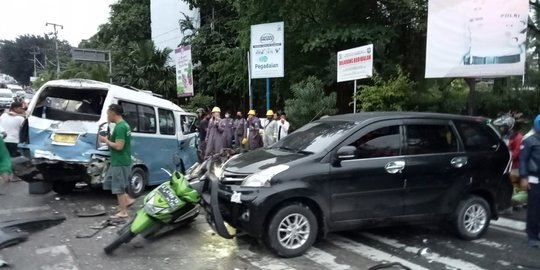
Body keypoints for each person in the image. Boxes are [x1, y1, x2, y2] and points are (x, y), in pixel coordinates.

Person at [99, 104, 135, 219]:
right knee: (110, 182)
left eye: (108, 113)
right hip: (119, 160)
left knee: (118, 187)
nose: (107, 116)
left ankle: (123, 212)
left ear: (113, 113)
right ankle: (127, 201)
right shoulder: (124, 125)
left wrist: (105, 140)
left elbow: (119, 146)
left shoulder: (120, 127)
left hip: (120, 161)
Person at [493, 113, 525, 206]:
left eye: (503, 127)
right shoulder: (503, 136)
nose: (501, 129)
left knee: (515, 185)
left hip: (514, 165)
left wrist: (506, 157)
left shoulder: (518, 137)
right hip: (504, 164)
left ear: (509, 126)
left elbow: (517, 152)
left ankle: (516, 203)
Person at [519, 114, 540, 248]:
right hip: (533, 179)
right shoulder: (529, 140)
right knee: (534, 209)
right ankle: (532, 235)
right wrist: (524, 177)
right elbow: (523, 160)